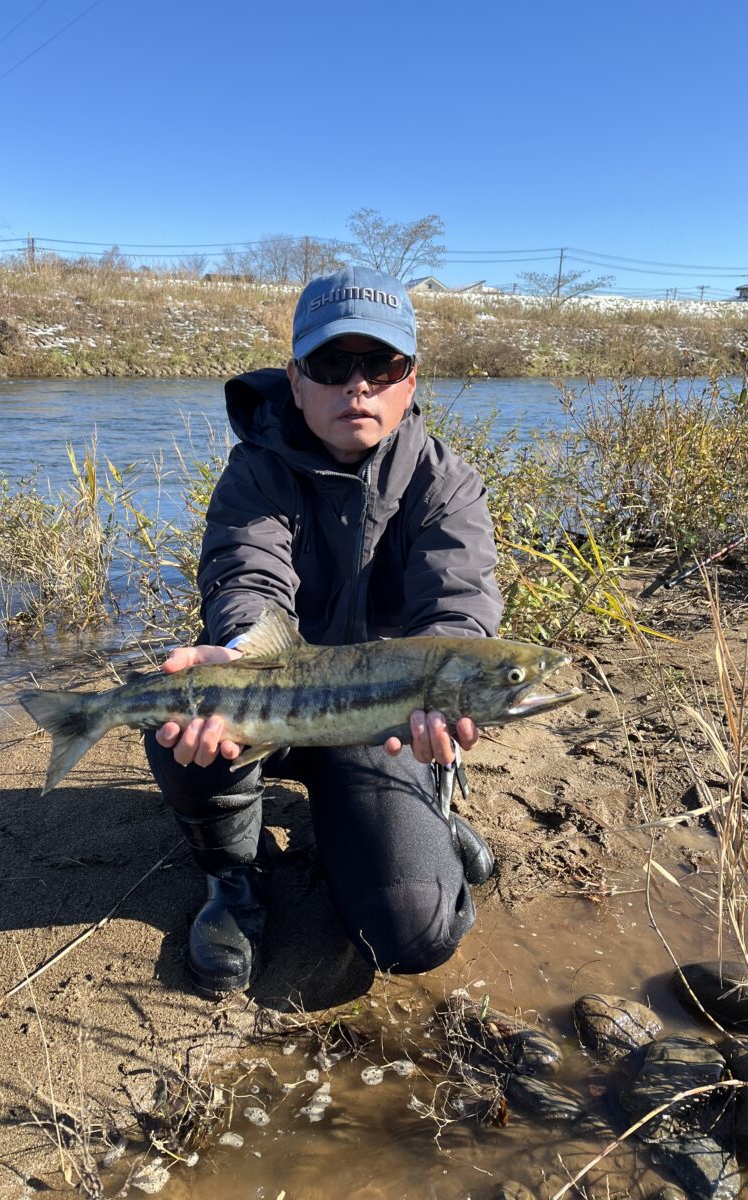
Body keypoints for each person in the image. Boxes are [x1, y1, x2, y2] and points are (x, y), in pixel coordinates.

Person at [144, 266, 504, 998]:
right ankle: (232, 879)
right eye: (331, 364)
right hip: (274, 699)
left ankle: (422, 814)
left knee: (415, 934)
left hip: (381, 726)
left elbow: (459, 611)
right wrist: (242, 650)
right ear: (296, 378)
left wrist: (448, 694)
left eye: (381, 364)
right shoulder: (253, 473)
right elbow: (247, 579)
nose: (357, 385)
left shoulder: (447, 483)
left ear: (410, 380)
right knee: (179, 710)